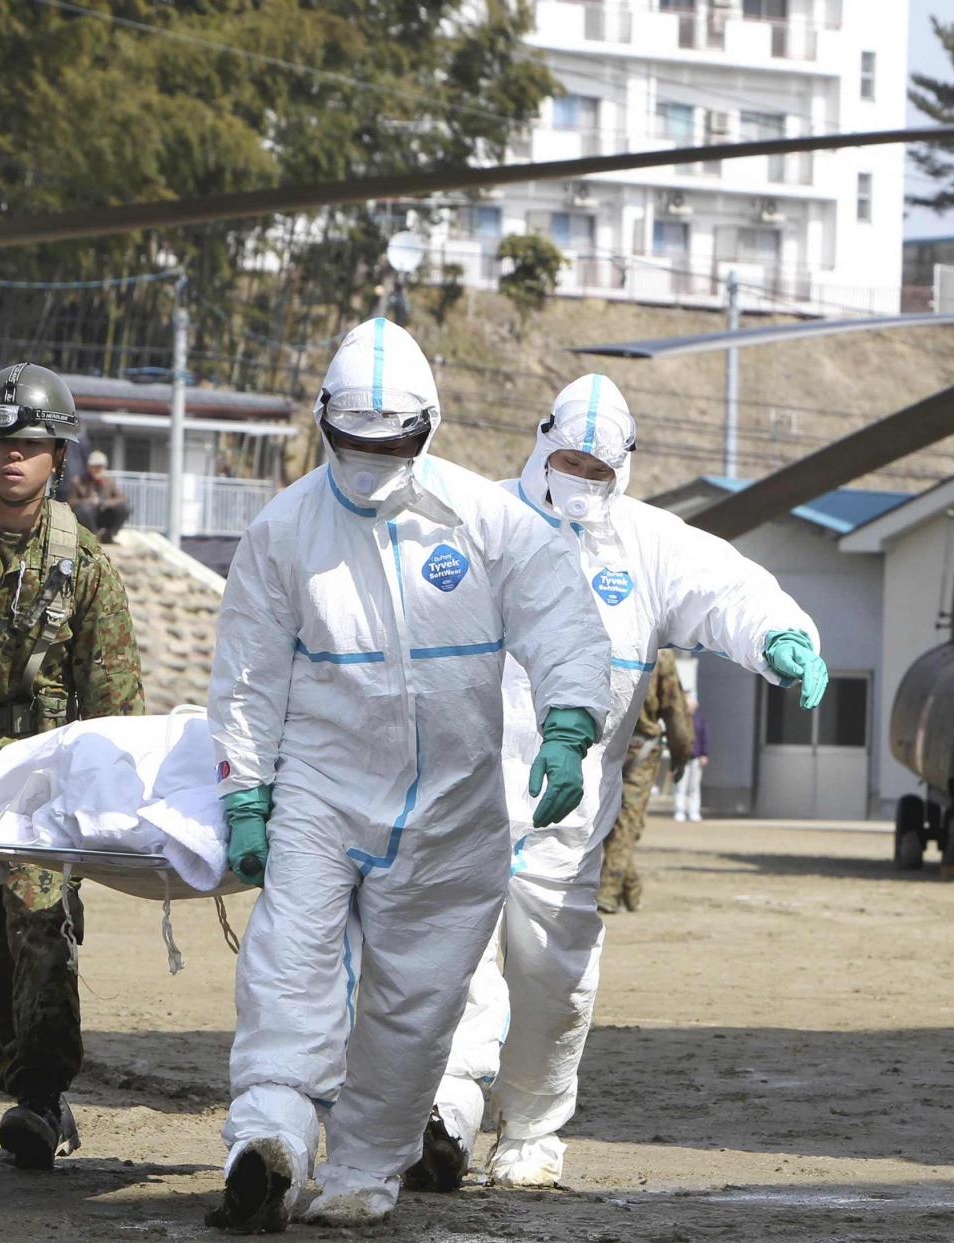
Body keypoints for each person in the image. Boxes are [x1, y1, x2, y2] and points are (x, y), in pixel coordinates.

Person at [204, 319, 611, 1232]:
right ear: (325, 426)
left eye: (393, 444)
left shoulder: (492, 522)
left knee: (416, 1007)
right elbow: (246, 677)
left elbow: (562, 620)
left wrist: (569, 723)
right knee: (287, 968)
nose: (371, 460)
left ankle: (360, 1173)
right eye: (354, 443)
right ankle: (266, 1144)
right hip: (320, 792)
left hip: (454, 809)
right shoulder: (284, 534)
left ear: (429, 428)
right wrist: (245, 791)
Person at [422, 373, 828, 1192]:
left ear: (625, 469)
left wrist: (782, 634)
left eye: (598, 469)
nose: (580, 477)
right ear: (541, 441)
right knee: (445, 967)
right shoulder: (472, 518)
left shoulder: (649, 546)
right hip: (455, 798)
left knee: (556, 983)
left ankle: (531, 1134)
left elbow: (728, 590)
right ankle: (445, 1114)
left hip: (568, 818)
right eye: (569, 458)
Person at [0, 362, 145, 1170]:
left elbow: (117, 703)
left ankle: (41, 1099)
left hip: (47, 776)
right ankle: (24, 1079)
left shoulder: (83, 564)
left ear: (58, 457)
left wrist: (108, 807)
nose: (12, 456)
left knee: (39, 920)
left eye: (32, 444)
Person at [597, 651, 693, 914]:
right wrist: (681, 752)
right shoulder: (661, 654)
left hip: (605, 744)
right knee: (624, 821)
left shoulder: (601, 637)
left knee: (616, 820)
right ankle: (617, 889)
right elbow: (675, 707)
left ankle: (619, 888)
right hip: (637, 747)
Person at [70, 450, 130, 543]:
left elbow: (122, 498)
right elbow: (71, 501)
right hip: (87, 518)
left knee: (124, 507)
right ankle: (93, 537)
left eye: (100, 467)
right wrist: (89, 501)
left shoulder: (109, 483)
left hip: (103, 514)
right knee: (84, 510)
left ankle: (109, 535)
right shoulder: (78, 481)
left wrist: (107, 502)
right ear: (89, 467)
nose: (98, 470)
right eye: (95, 467)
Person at [671, 695, 710, 823]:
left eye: (693, 704)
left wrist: (704, 754)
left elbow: (704, 737)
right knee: (681, 785)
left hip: (696, 757)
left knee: (694, 786)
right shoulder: (680, 718)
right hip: (682, 757)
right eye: (689, 704)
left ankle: (694, 811)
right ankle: (679, 810)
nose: (691, 706)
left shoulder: (700, 719)